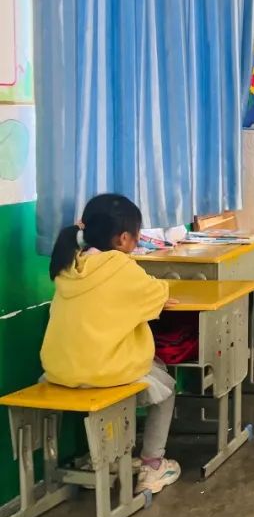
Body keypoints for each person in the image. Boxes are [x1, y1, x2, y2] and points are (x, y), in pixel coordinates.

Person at [40, 193, 181, 494]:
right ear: (124, 238)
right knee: (165, 387)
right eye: (138, 237)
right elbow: (157, 293)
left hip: (59, 371)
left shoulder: (68, 265)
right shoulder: (120, 267)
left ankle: (102, 458)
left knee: (110, 376)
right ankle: (153, 465)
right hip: (103, 372)